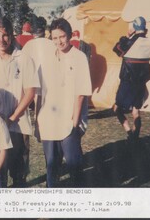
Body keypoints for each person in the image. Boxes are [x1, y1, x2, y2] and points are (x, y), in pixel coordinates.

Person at [0, 17, 39, 187]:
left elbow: (30, 92)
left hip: (18, 126)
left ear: (11, 35)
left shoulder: (24, 59)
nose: (1, 40)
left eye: (5, 35)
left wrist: (12, 118)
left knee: (19, 174)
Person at [36, 18, 92, 187]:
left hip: (69, 121)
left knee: (74, 165)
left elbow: (81, 93)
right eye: (54, 38)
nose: (59, 41)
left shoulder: (79, 57)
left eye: (62, 36)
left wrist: (75, 124)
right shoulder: (46, 58)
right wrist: (38, 121)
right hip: (48, 120)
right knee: (51, 166)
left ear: (69, 35)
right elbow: (40, 92)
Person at [112, 16, 150, 142]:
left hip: (127, 83)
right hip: (140, 83)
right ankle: (135, 137)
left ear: (134, 28)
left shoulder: (129, 42)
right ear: (145, 29)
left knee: (117, 109)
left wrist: (127, 36)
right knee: (136, 111)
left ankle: (129, 132)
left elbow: (116, 49)